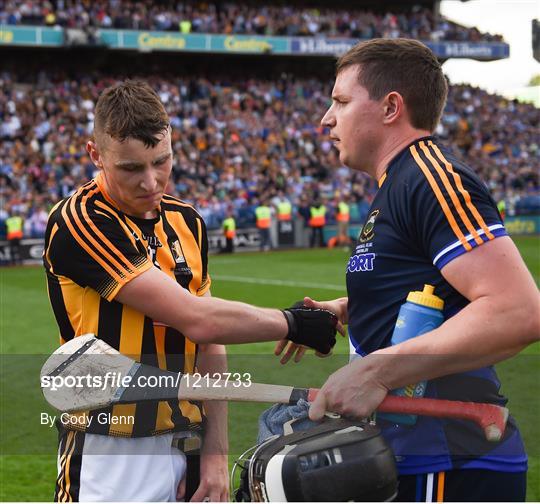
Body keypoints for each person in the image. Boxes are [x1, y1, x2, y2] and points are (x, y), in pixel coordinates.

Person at [43, 80, 339, 502]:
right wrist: (291, 323)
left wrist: (215, 453)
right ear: (95, 154)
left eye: (161, 161)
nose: (151, 181)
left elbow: (208, 341)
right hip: (109, 448)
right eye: (131, 168)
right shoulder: (80, 221)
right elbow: (195, 316)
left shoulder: (187, 221)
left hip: (185, 441)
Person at [277, 39, 539, 501]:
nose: (326, 118)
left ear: (391, 107)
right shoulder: (397, 182)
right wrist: (352, 310)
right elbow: (435, 294)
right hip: (413, 453)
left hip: (447, 457)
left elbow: (518, 310)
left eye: (340, 101)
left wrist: (375, 372)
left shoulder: (429, 176)